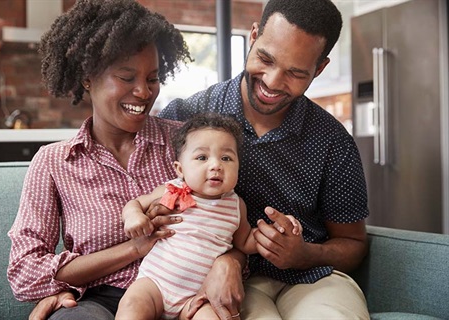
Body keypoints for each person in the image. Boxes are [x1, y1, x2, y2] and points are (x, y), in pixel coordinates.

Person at [158, 0, 371, 319]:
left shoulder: (332, 140)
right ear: (254, 35)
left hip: (311, 279)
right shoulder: (183, 117)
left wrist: (303, 254)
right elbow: (151, 211)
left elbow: (353, 243)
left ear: (320, 68)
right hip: (212, 279)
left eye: (296, 73)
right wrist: (227, 257)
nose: (272, 81)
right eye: (265, 58)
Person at [7, 0, 192, 319]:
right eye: (126, 77)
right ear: (87, 78)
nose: (144, 92)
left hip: (184, 293)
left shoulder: (185, 143)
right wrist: (133, 249)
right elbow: (25, 272)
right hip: (101, 300)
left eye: (152, 78)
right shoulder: (54, 162)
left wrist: (229, 264)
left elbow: (227, 219)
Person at [115, 113, 302, 320]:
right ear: (180, 169)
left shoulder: (235, 205)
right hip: (155, 285)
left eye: (226, 158)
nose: (216, 165)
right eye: (202, 158)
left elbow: (245, 242)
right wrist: (133, 216)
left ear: (238, 166)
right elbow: (136, 203)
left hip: (199, 297)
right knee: (132, 305)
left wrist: (276, 230)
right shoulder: (172, 189)